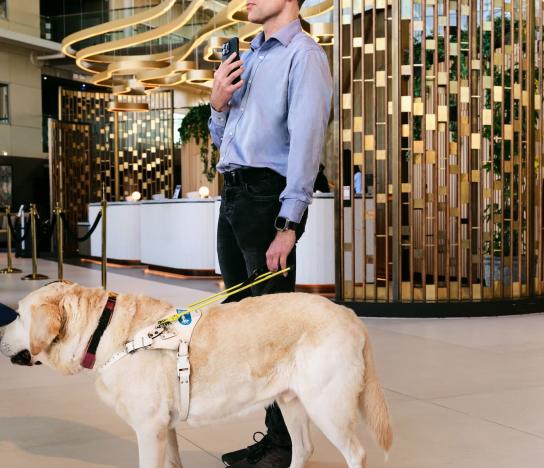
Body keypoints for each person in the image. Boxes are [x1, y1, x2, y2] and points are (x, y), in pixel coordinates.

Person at [207, 0, 332, 464]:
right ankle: (275, 438)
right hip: (235, 194)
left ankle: (286, 446)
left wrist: (288, 225)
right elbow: (225, 140)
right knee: (245, 331)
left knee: (274, 333)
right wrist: (217, 103)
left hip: (266, 200)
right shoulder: (250, 57)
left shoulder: (304, 55)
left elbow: (307, 142)